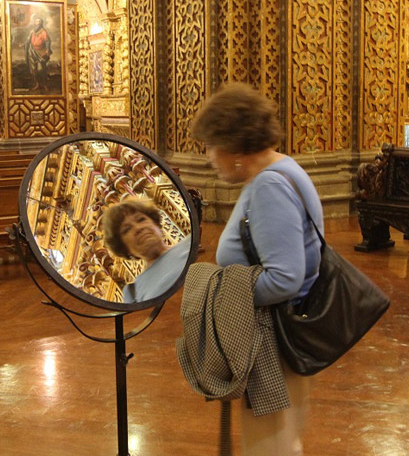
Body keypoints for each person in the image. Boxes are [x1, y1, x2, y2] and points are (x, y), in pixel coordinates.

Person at [190, 82, 323, 456]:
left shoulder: (269, 186)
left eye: (211, 146)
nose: (209, 157)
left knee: (270, 447)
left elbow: (284, 278)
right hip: (278, 338)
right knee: (279, 442)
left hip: (273, 344)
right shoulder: (282, 169)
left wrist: (225, 299)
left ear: (233, 147)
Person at [100, 198, 190, 304]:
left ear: (156, 223)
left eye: (141, 219)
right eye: (127, 229)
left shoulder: (192, 242)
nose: (138, 228)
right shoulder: (133, 294)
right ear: (124, 248)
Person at [25, 16, 52, 92]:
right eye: (36, 22)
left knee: (41, 69)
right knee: (34, 69)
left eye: (39, 22)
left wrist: (47, 49)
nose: (38, 23)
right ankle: (37, 84)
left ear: (41, 23)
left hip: (41, 51)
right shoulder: (32, 31)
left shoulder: (43, 31)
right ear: (35, 23)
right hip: (32, 51)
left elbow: (47, 41)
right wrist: (24, 44)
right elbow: (28, 40)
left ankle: (44, 85)